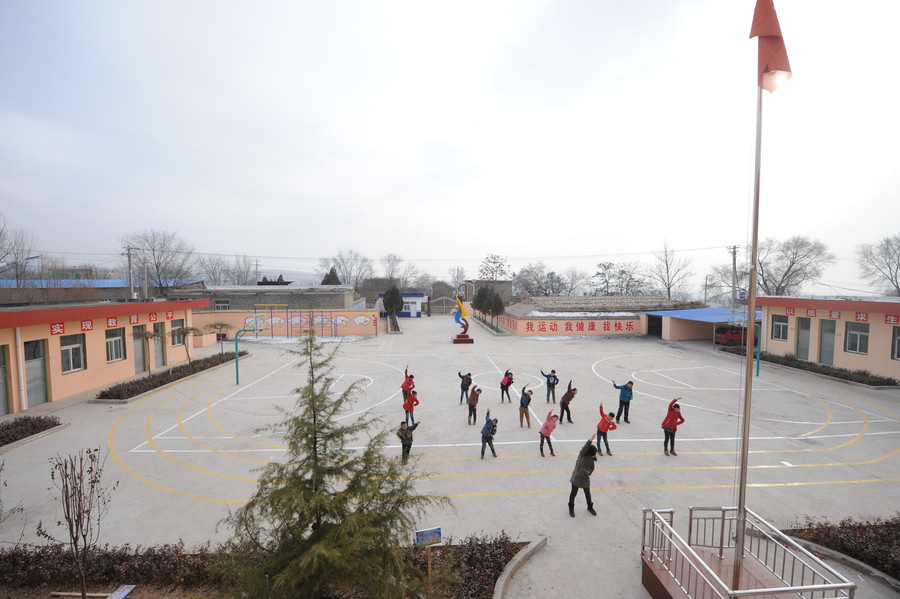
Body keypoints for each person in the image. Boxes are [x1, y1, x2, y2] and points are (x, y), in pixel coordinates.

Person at [569, 433, 599, 517]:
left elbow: (592, 469)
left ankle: (590, 507)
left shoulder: (592, 460)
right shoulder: (582, 455)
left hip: (585, 479)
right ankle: (571, 507)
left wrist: (588, 473)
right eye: (594, 453)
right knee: (573, 494)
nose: (595, 455)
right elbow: (585, 447)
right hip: (576, 478)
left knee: (588, 494)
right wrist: (590, 440)